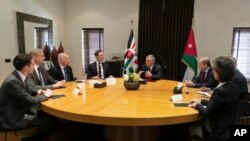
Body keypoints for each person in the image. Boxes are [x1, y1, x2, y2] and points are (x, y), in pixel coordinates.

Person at [0, 54, 56, 141]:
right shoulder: (12, 82)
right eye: (32, 64)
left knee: (49, 116)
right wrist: (47, 95)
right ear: (26, 67)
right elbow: (30, 100)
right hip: (12, 118)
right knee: (51, 122)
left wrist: (39, 91)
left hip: (19, 111)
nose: (34, 67)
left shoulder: (18, 75)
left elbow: (28, 89)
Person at [189, 56, 239, 141]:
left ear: (219, 73)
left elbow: (206, 112)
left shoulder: (220, 90)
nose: (213, 71)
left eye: (214, 70)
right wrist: (200, 101)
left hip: (216, 131)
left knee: (189, 128)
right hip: (227, 125)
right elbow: (216, 103)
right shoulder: (233, 86)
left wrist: (196, 105)